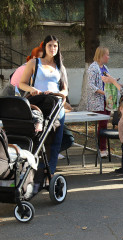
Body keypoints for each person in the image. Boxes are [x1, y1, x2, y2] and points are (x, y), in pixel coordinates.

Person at [19, 35, 68, 175]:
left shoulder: (60, 66)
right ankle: (31, 170)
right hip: (38, 104)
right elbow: (22, 83)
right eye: (50, 45)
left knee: (55, 142)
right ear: (44, 47)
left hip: (56, 105)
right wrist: (32, 89)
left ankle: (49, 172)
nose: (53, 48)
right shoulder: (35, 63)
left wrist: (57, 93)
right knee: (37, 137)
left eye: (55, 46)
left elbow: (65, 89)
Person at [87, 46, 116, 158]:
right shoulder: (93, 68)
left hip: (107, 101)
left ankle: (102, 147)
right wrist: (104, 92)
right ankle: (102, 148)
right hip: (98, 101)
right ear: (101, 55)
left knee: (104, 124)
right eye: (107, 54)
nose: (108, 57)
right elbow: (90, 85)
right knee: (102, 125)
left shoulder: (105, 68)